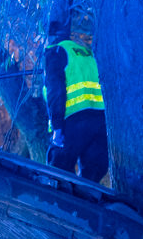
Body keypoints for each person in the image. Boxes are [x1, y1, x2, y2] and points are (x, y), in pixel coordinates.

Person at [42, 20, 108, 182]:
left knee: (57, 173)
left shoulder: (55, 52)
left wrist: (57, 129)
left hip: (73, 122)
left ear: (48, 37)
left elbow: (55, 92)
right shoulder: (87, 53)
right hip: (101, 122)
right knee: (90, 180)